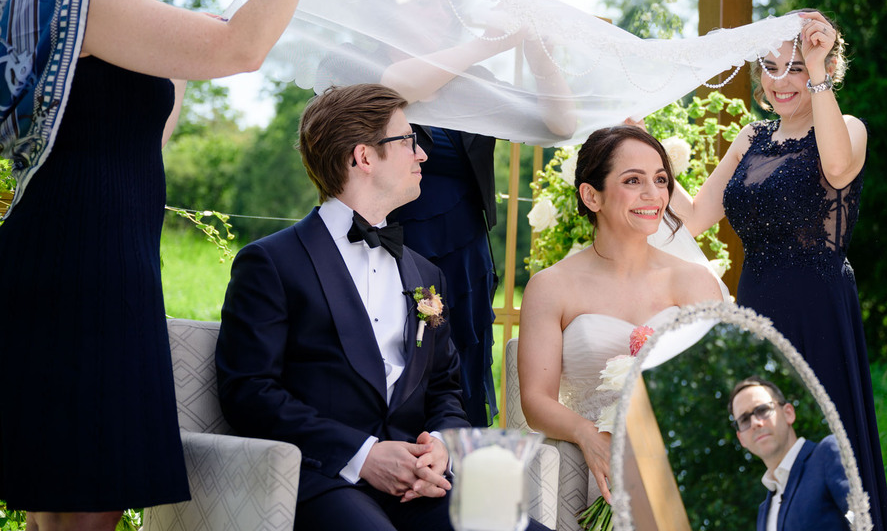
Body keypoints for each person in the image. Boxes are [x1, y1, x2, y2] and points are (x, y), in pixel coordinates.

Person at [0, 0, 350, 530]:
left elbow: (130, 141)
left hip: (74, 251)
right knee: (87, 509)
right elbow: (242, 48)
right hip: (87, 267)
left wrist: (178, 68)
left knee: (59, 509)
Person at [215, 84, 550, 531]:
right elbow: (250, 392)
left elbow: (444, 389)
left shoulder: (426, 273)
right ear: (364, 157)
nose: (423, 155)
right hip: (322, 478)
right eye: (410, 141)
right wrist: (364, 455)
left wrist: (442, 447)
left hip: (421, 485)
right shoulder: (272, 262)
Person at [669, 10, 887, 531]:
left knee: (827, 435)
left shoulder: (848, 129)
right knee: (770, 434)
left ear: (826, 67)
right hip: (758, 305)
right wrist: (649, 151)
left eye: (794, 68)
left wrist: (813, 66)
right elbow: (699, 215)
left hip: (818, 306)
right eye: (769, 68)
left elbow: (837, 169)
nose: (778, 82)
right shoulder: (752, 138)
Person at [517, 125, 726, 504]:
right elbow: (535, 400)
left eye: (661, 180)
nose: (653, 195)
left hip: (678, 467)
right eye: (633, 180)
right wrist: (587, 435)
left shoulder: (696, 283)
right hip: (589, 473)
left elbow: (716, 390)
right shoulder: (551, 287)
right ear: (591, 196)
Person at [389, 125, 501, 427]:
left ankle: (456, 446)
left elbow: (552, 121)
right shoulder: (398, 79)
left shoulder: (483, 82)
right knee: (414, 340)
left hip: (467, 242)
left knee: (465, 342)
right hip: (409, 233)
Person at [729, 376, 850, 531]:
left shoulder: (828, 453)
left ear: (788, 413)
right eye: (744, 419)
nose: (755, 423)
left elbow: (864, 518)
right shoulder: (764, 512)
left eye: (762, 410)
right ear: (741, 439)